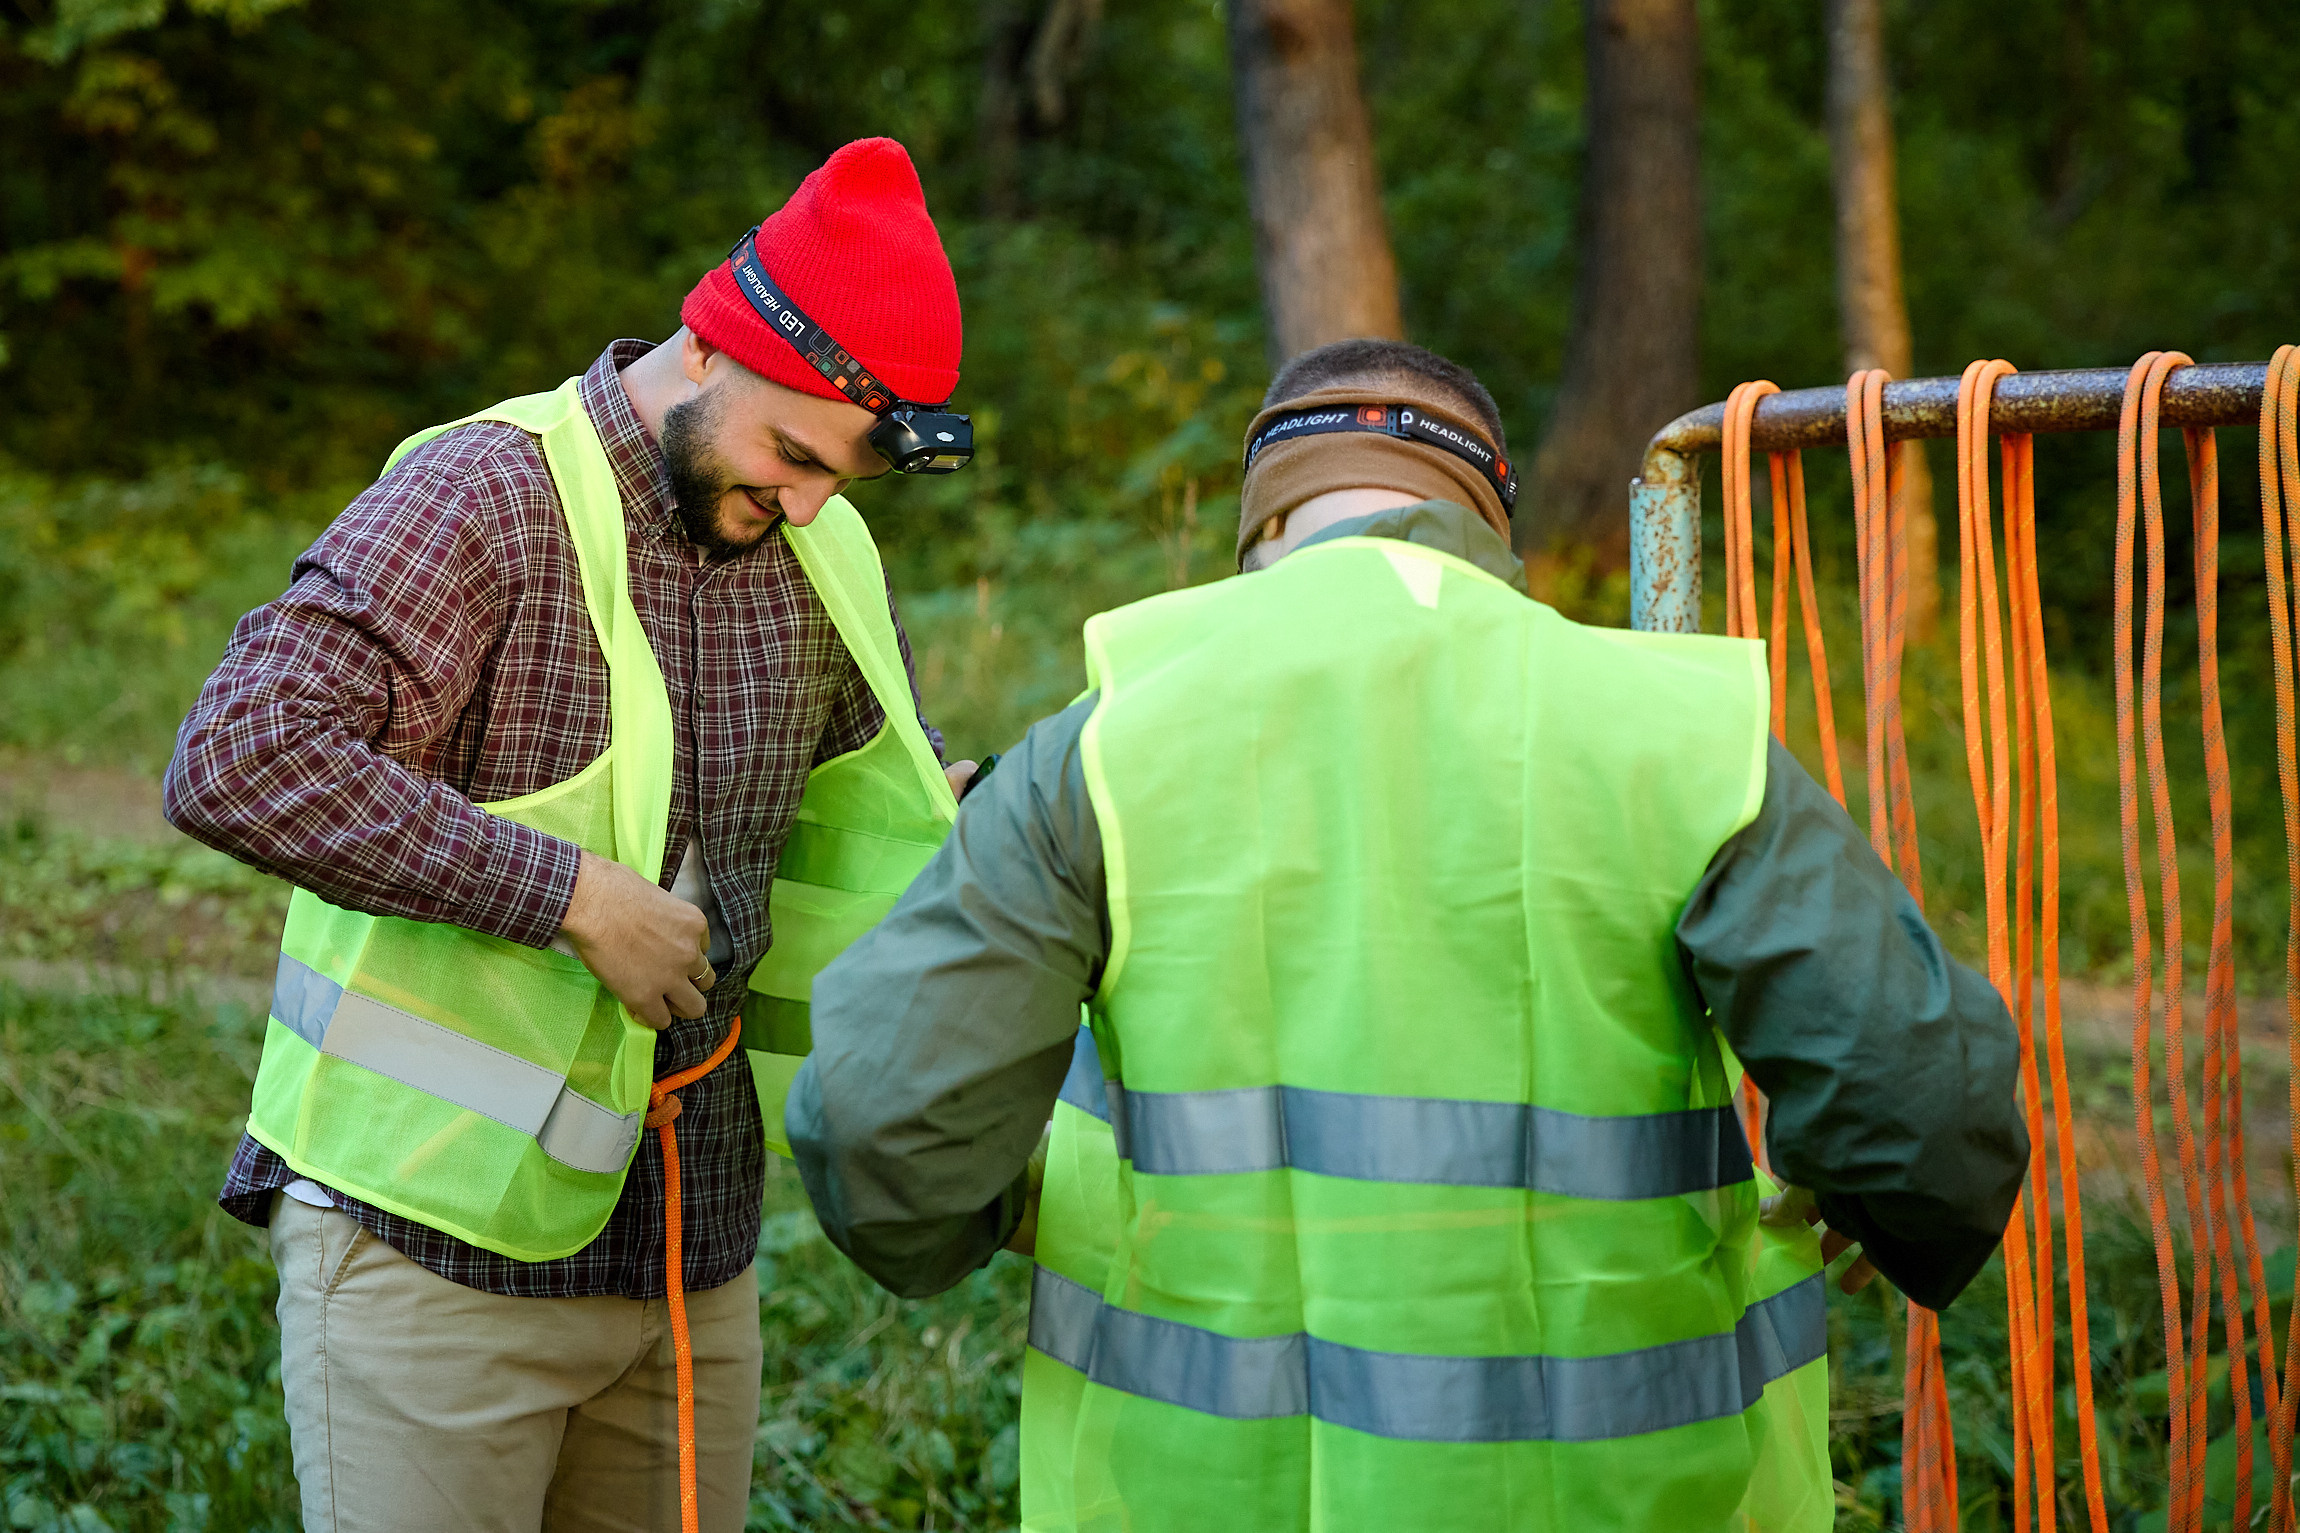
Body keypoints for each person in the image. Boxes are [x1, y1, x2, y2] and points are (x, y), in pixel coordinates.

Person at [788, 338, 2029, 1531]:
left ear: (1260, 527)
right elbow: (1919, 1098)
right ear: (1493, 529)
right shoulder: (1670, 731)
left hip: (1196, 1496)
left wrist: (985, 1211)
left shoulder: (1102, 744)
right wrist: (1891, 1202)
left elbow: (885, 1122)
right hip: (1616, 1496)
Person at [164, 137, 975, 1533]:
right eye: (793, 456)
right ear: (715, 348)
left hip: (690, 1258)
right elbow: (241, 754)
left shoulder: (821, 548)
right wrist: (567, 893)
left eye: (844, 477)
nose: (807, 505)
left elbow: (857, 830)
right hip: (429, 1265)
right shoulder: (486, 496)